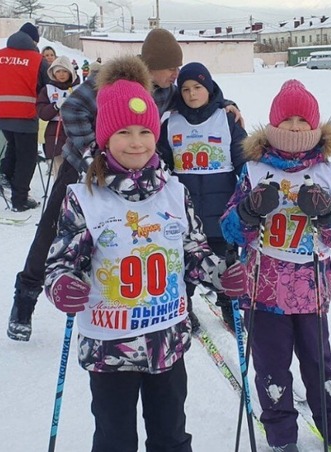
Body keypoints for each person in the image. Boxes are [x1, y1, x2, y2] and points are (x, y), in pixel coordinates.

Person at [43, 55, 246, 451]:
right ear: (105, 137)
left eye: (144, 131)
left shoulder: (175, 192)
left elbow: (194, 251)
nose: (136, 142)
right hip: (110, 347)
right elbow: (61, 261)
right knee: (115, 439)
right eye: (123, 132)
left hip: (166, 341)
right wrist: (61, 284)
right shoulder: (84, 198)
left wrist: (219, 273)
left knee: (171, 436)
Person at [6, 27, 241, 342]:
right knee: (52, 233)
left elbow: (197, 97)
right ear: (152, 65)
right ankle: (24, 299)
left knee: (137, 235)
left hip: (130, 175)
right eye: (171, 67)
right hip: (83, 170)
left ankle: (144, 295)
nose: (176, 74)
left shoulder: (166, 89)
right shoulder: (112, 81)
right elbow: (72, 108)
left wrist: (224, 103)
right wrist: (94, 156)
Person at [220, 79, 331, 452]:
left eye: (303, 120)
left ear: (314, 127)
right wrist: (250, 211)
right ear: (273, 125)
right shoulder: (253, 171)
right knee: (272, 368)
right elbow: (230, 229)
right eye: (287, 120)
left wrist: (329, 213)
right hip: (263, 293)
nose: (295, 127)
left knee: (320, 365)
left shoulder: (329, 174)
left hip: (311, 292)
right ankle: (282, 437)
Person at [157, 62, 247, 332]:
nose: (192, 94)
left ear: (208, 87)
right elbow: (161, 163)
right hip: (185, 211)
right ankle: (185, 306)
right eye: (185, 89)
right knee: (185, 263)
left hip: (222, 210)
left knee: (225, 263)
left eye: (197, 87)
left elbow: (244, 160)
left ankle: (228, 306)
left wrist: (251, 192)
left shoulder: (227, 119)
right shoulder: (171, 121)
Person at [0, 22, 50, 212]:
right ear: (33, 41)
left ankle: (6, 173)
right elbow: (47, 86)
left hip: (1, 114)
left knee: (13, 146)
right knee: (27, 158)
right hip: (26, 115)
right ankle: (19, 200)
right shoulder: (37, 59)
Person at [36, 55, 79, 178]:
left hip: (74, 131)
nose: (61, 74)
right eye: (58, 71)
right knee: (59, 171)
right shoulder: (48, 89)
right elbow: (42, 113)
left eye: (65, 71)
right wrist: (55, 106)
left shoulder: (78, 88)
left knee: (74, 171)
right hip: (55, 132)